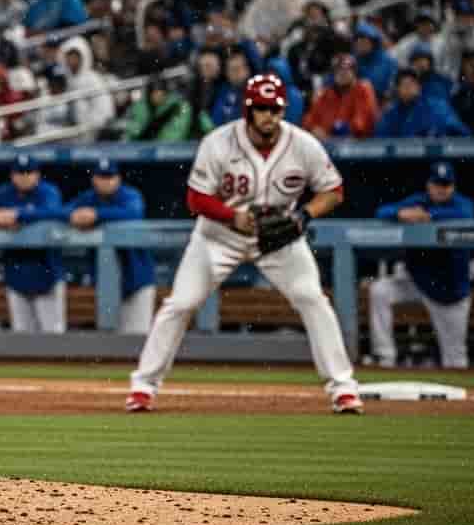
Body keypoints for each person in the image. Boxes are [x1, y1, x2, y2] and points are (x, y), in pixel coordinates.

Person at [127, 74, 361, 414]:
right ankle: (143, 387)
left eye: (275, 108)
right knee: (180, 304)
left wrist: (304, 215)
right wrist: (231, 216)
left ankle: (343, 389)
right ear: (248, 110)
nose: (269, 116)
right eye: (262, 108)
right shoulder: (218, 142)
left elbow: (333, 191)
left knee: (313, 299)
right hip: (218, 237)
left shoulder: (303, 144)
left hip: (278, 238)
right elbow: (195, 199)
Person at [370, 162, 474, 369]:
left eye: (446, 185)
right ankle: (385, 356)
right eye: (437, 184)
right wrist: (400, 214)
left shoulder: (462, 204)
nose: (441, 189)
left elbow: (466, 215)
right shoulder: (418, 201)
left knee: (455, 361)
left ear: (453, 186)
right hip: (416, 282)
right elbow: (382, 211)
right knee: (380, 290)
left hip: (448, 291)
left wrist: (428, 216)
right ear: (428, 185)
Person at [55, 159, 156, 334]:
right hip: (106, 283)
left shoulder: (129, 195)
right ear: (94, 179)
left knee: (137, 338)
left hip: (138, 281)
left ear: (118, 178)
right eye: (102, 177)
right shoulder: (88, 198)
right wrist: (73, 215)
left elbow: (134, 212)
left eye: (110, 177)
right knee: (109, 338)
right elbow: (59, 212)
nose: (106, 181)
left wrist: (96, 215)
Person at [0, 154, 65, 333]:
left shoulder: (48, 191)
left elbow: (53, 211)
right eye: (20, 173)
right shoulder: (4, 193)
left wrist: (18, 215)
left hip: (47, 274)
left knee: (53, 337)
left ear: (37, 174)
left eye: (29, 172)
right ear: (12, 175)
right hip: (15, 275)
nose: (24, 177)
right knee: (21, 336)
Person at [374, 68, 470, 138]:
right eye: (403, 84)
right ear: (397, 90)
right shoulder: (391, 114)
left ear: (419, 87)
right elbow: (381, 140)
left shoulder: (437, 106)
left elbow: (460, 131)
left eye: (412, 83)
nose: (408, 88)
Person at [303, 54, 379, 139]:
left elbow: (361, 125)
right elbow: (308, 120)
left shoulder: (362, 89)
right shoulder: (326, 93)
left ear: (354, 72)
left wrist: (334, 129)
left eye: (347, 69)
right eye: (338, 70)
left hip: (359, 143)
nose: (342, 73)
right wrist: (314, 128)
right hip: (329, 142)